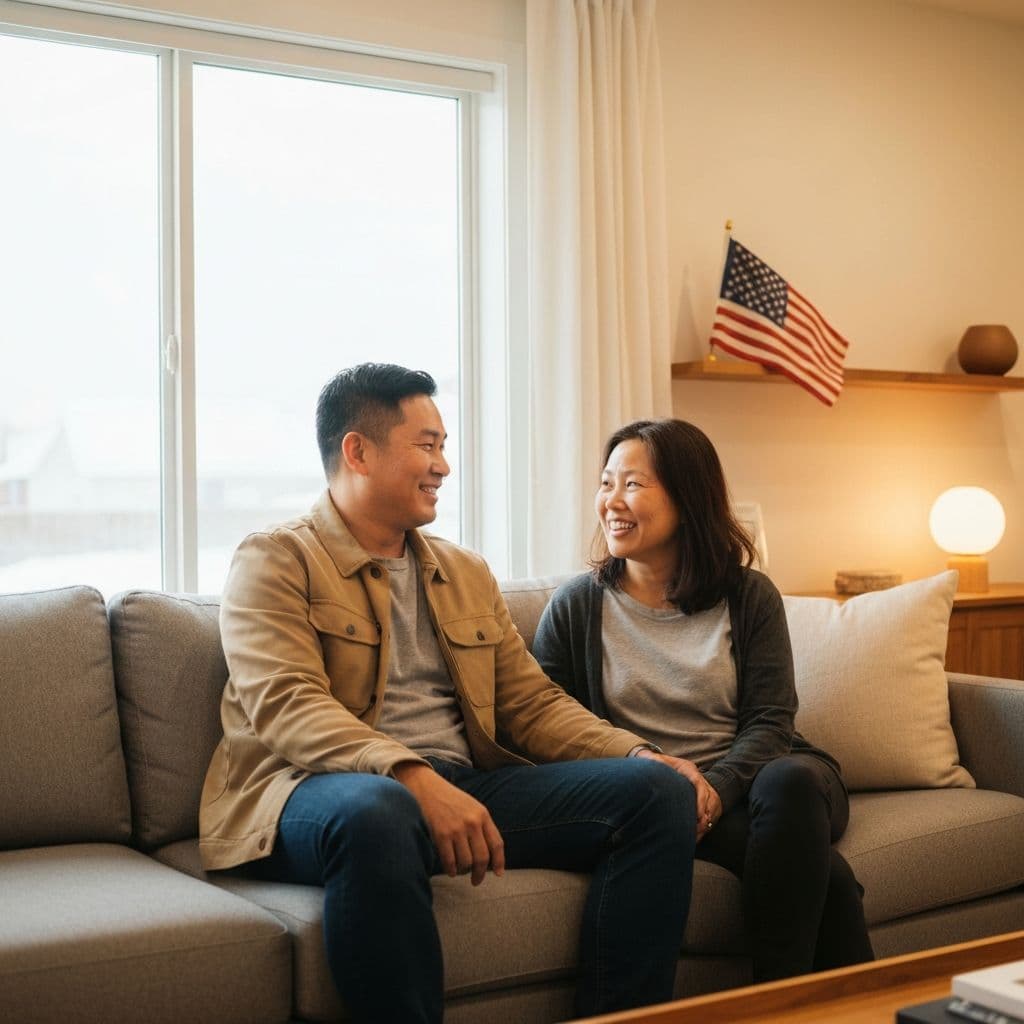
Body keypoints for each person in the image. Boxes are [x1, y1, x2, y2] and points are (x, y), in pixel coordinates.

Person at [199, 364, 699, 1023]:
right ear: (358, 450)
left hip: (461, 787)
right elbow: (288, 706)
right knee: (378, 809)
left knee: (658, 794)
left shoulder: (462, 571)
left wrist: (637, 755)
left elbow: (529, 704)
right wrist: (412, 776)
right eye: (428, 445)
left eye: (443, 447)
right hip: (307, 794)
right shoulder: (276, 560)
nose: (444, 466)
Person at [532, 418, 875, 983]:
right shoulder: (576, 607)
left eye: (634, 485)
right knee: (830, 880)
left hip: (766, 783)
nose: (612, 501)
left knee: (788, 782)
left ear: (688, 499)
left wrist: (713, 789)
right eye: (606, 482)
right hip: (659, 802)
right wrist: (668, 790)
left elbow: (770, 721)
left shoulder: (747, 595)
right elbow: (551, 727)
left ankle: (770, 1003)